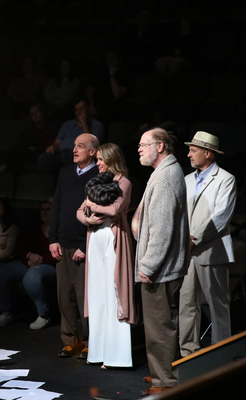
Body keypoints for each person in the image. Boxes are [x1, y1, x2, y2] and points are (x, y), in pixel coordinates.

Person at [133, 128, 190, 396]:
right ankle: (162, 374)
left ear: (161, 146)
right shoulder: (166, 172)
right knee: (160, 326)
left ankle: (166, 383)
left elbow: (162, 228)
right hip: (165, 269)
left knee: (159, 328)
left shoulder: (166, 176)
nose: (139, 149)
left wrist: (149, 264)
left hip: (161, 271)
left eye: (144, 145)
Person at [76, 143, 137, 368]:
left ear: (111, 159)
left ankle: (117, 357)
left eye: (101, 159)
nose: (98, 163)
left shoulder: (124, 183)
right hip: (95, 241)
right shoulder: (98, 181)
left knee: (113, 295)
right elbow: (79, 211)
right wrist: (87, 219)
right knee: (97, 295)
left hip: (113, 242)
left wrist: (92, 205)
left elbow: (114, 210)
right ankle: (98, 353)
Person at [179, 131, 236, 356]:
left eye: (193, 150)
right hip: (187, 251)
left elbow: (221, 217)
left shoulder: (226, 179)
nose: (188, 155)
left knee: (217, 306)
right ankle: (188, 354)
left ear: (207, 153)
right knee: (186, 304)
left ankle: (221, 357)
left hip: (211, 251)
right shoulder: (187, 180)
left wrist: (194, 238)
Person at [49, 133, 100, 359]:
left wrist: (84, 245)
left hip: (84, 245)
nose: (74, 149)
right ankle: (71, 341)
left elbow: (99, 214)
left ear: (92, 151)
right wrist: (52, 239)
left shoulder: (99, 174)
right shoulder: (65, 173)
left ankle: (91, 341)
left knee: (85, 298)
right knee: (64, 296)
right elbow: (57, 205)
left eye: (80, 146)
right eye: (74, 146)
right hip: (62, 243)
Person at [0, 200, 58, 328]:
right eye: (42, 210)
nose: (45, 212)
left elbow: (60, 253)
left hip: (50, 265)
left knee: (32, 276)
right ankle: (7, 311)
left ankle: (44, 315)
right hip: (28, 262)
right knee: (1, 273)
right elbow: (19, 247)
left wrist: (39, 260)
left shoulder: (59, 229)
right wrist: (29, 256)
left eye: (48, 209)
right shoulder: (33, 228)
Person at [46, 97, 104, 166]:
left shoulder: (97, 125)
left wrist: (84, 123)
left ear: (88, 109)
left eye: (81, 109)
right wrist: (53, 147)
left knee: (68, 155)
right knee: (44, 158)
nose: (79, 112)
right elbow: (57, 142)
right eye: (77, 110)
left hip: (77, 155)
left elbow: (90, 145)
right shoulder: (67, 124)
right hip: (60, 153)